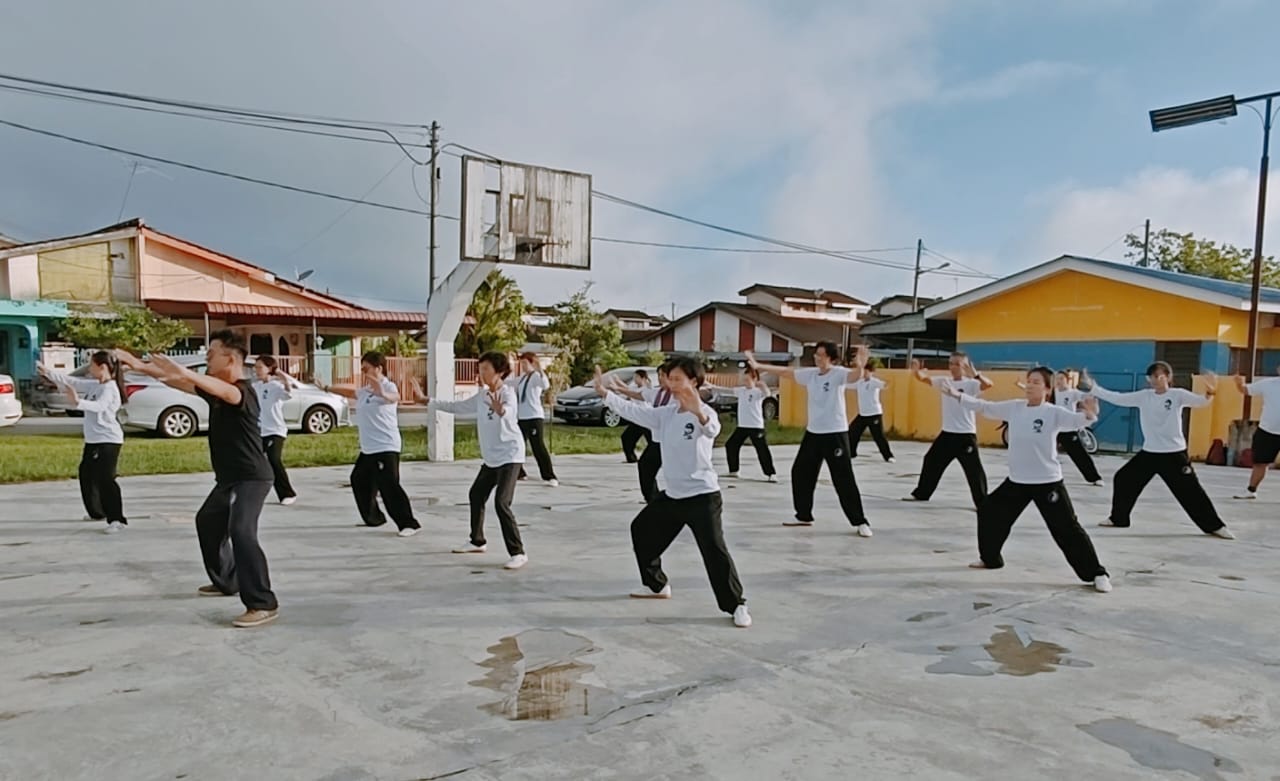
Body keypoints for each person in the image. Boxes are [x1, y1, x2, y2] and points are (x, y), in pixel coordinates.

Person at [115, 332, 279, 628]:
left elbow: (222, 391)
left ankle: (262, 603)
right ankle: (228, 581)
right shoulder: (216, 391)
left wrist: (182, 369)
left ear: (230, 358)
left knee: (241, 531)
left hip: (252, 478)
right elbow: (181, 382)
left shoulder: (241, 391)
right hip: (229, 478)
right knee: (207, 521)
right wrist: (139, 366)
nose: (207, 358)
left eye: (211, 354)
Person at [592, 358, 751, 628]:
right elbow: (633, 411)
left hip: (702, 496)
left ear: (694, 382)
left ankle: (736, 605)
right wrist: (606, 394)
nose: (671, 383)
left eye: (678, 379)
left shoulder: (704, 412)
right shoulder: (665, 414)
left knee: (714, 551)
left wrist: (698, 412)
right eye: (670, 378)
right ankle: (657, 585)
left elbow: (712, 429)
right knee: (640, 530)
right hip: (674, 496)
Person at [940, 367, 1112, 593]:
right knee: (989, 511)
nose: (1030, 385)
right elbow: (984, 407)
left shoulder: (1053, 412)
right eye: (1029, 381)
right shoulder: (1014, 408)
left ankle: (1097, 573)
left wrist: (1091, 414)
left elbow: (1079, 420)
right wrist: (956, 395)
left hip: (1048, 482)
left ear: (1047, 389)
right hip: (1017, 482)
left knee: (1067, 529)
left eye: (1036, 382)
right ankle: (991, 559)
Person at [1083, 363, 1235, 539]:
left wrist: (1210, 393)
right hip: (1150, 453)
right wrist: (1094, 387)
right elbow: (1117, 398)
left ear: (1168, 377)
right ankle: (1119, 518)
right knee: (1124, 478)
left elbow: (1200, 402)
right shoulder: (1144, 396)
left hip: (1174, 454)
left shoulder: (1177, 395)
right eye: (1152, 377)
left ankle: (1216, 526)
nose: (1155, 380)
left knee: (1191, 492)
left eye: (1159, 376)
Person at [747, 343, 872, 536]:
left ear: (831, 358)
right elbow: (786, 371)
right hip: (814, 433)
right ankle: (803, 515)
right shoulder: (811, 374)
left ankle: (860, 521)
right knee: (800, 472)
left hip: (835, 433)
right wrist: (758, 365)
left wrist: (860, 365)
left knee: (843, 478)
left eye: (821, 355)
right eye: (816, 355)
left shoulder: (838, 373)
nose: (817, 358)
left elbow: (855, 376)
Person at [428, 351, 529, 569]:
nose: (482, 373)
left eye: (486, 369)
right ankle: (477, 541)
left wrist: (501, 409)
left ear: (499, 371)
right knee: (476, 495)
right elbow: (457, 407)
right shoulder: (482, 396)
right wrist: (429, 401)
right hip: (492, 458)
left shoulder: (508, 393)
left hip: (510, 455)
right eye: (480, 368)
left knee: (502, 503)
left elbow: (509, 412)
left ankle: (518, 552)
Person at [39, 351, 127, 533]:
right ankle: (97, 512)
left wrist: (77, 402)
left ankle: (117, 519)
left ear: (102, 367)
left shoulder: (110, 388)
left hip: (108, 440)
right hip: (94, 440)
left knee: (106, 479)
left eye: (91, 365)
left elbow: (100, 407)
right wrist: (48, 372)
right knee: (86, 473)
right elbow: (74, 382)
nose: (89, 368)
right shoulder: (96, 385)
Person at [903, 353, 991, 508]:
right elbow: (925, 379)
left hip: (965, 435)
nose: (952, 367)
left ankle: (982, 502)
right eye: (950, 363)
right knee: (931, 460)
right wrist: (916, 372)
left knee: (974, 470)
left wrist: (977, 375)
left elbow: (988, 385)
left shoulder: (971, 384)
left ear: (965, 366)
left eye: (957, 364)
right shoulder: (944, 382)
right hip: (947, 434)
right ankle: (922, 493)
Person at [351, 351, 422, 537]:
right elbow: (350, 392)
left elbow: (394, 397)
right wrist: (325, 387)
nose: (363, 372)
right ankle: (374, 518)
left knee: (389, 486)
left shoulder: (388, 386)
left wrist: (381, 392)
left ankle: (408, 523)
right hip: (368, 448)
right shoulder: (366, 391)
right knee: (359, 479)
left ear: (378, 368)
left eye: (366, 368)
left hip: (385, 446)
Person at [612, 366, 673, 503]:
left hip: (672, 441)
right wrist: (612, 390)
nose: (660, 378)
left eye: (662, 375)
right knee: (645, 466)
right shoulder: (657, 392)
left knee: (676, 472)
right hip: (656, 437)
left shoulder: (678, 395)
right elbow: (637, 394)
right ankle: (652, 499)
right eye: (659, 375)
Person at [253, 356, 299, 505]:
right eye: (256, 367)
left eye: (260, 367)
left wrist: (280, 374)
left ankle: (288, 493)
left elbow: (288, 391)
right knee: (252, 461)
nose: (257, 370)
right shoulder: (256, 386)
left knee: (274, 460)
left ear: (269, 369)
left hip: (275, 431)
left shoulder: (276, 386)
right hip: (259, 430)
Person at [1232, 369, 1280, 500]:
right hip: (1267, 430)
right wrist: (1239, 384)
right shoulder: (1268, 384)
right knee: (1260, 463)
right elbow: (1246, 390)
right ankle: (1251, 490)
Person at [511, 352, 558, 486]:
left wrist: (540, 369)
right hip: (522, 417)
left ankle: (549, 476)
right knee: (516, 445)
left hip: (534, 416)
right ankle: (519, 472)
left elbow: (545, 385)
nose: (523, 366)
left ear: (532, 363)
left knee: (538, 447)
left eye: (525, 363)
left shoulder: (536, 377)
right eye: (522, 364)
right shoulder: (522, 378)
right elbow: (509, 383)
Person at [723, 367, 777, 481]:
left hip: (756, 427)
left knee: (762, 449)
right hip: (742, 426)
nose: (745, 382)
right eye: (744, 380)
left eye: (748, 380)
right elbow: (726, 390)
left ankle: (771, 473)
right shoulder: (741, 391)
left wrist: (763, 386)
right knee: (731, 445)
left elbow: (767, 394)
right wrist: (710, 386)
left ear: (754, 379)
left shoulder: (758, 392)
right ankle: (734, 471)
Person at [1051, 370, 1104, 487]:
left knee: (1080, 455)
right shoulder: (1053, 393)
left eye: (1061, 379)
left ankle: (1095, 477)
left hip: (1068, 430)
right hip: (1053, 429)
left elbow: (1086, 397)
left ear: (1067, 380)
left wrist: (1092, 394)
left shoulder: (1073, 393)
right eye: (1057, 379)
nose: (1059, 381)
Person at [846, 363, 894, 462]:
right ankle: (852, 453)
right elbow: (848, 385)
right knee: (852, 432)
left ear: (871, 372)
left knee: (878, 436)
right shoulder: (859, 382)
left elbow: (884, 385)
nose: (865, 373)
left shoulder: (874, 382)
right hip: (862, 414)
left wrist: (887, 383)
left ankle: (888, 456)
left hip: (874, 414)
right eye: (864, 371)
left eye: (867, 372)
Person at [619, 369, 654, 464]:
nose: (634, 379)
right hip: (637, 418)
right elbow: (626, 389)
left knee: (653, 441)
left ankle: (657, 458)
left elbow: (631, 392)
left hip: (646, 418)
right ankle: (631, 458)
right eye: (634, 377)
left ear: (643, 378)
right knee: (626, 437)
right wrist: (615, 382)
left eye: (636, 377)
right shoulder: (634, 386)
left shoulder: (647, 389)